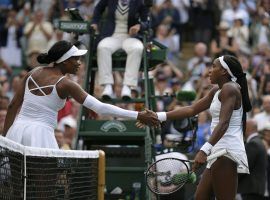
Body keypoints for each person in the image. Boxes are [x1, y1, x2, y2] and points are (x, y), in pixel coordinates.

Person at [2, 40, 159, 149]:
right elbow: (100, 107)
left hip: (16, 132)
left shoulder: (32, 73)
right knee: (44, 189)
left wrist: (5, 139)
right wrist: (138, 115)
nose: (79, 62)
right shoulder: (67, 84)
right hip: (40, 136)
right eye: (75, 59)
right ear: (64, 61)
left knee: (17, 188)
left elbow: (12, 105)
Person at [138, 55, 252, 199]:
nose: (209, 71)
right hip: (217, 152)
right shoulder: (217, 91)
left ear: (224, 71)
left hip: (226, 152)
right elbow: (192, 109)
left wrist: (204, 150)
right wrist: (158, 116)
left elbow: (224, 123)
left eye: (214, 67)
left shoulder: (230, 88)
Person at [91, 0, 149, 100]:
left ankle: (127, 86)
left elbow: (147, 22)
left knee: (137, 48)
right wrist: (94, 23)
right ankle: (107, 86)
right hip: (113, 36)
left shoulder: (139, 2)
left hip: (130, 37)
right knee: (102, 47)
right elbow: (98, 8)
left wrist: (139, 26)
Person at [238, 119, 267, 200]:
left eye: (243, 126)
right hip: (256, 189)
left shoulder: (253, 144)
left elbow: (243, 167)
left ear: (248, 128)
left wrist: (231, 180)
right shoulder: (259, 142)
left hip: (250, 189)